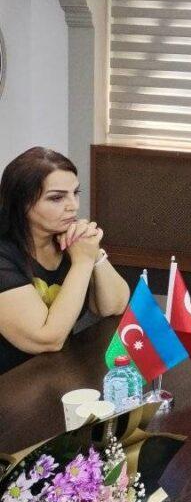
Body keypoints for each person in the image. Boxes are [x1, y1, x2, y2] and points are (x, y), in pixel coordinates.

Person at [0, 147, 130, 376]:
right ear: (22, 202)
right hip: (11, 383)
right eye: (57, 198)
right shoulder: (5, 255)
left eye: (75, 193)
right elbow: (48, 339)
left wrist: (94, 252)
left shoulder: (67, 239)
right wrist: (82, 262)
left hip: (56, 372)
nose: (74, 206)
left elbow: (114, 306)